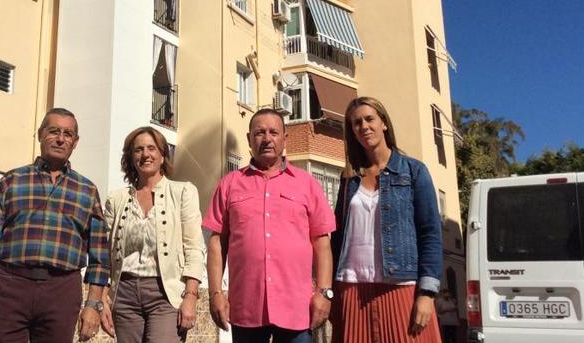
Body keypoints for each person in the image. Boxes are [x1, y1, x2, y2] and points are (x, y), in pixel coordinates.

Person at [0, 108, 109, 342]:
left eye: (68, 134)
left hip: (62, 291)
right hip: (10, 286)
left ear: (75, 142)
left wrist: (93, 305)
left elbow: (99, 256)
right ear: (40, 134)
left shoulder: (87, 190)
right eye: (53, 131)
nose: (60, 138)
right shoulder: (12, 181)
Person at [204, 108, 336, 343]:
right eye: (259, 133)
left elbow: (322, 243)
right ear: (249, 139)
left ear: (285, 138)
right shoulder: (229, 184)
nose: (267, 139)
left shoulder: (307, 184)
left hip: (297, 307)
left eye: (274, 132)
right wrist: (215, 293)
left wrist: (324, 293)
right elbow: (216, 243)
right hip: (247, 306)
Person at [329, 97, 443, 342]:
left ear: (384, 124)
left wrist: (426, 293)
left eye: (369, 119)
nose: (364, 126)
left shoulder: (414, 171)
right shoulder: (349, 178)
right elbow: (337, 237)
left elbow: (430, 233)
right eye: (356, 123)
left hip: (402, 286)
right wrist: (330, 290)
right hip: (352, 285)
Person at [99, 127, 205, 343]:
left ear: (163, 154)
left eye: (151, 148)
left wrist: (191, 297)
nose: (145, 154)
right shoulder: (116, 199)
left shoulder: (183, 191)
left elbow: (194, 247)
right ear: (130, 157)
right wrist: (102, 298)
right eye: (138, 150)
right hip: (124, 294)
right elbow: (104, 253)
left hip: (166, 294)